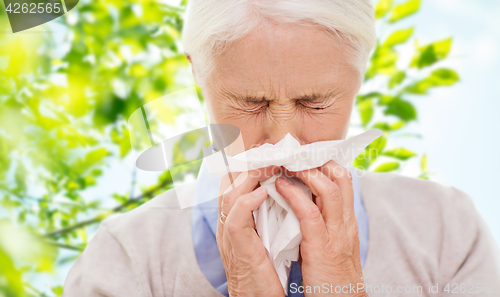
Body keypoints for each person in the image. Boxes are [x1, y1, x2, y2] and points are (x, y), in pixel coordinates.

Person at [62, 0, 500, 296]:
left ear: (359, 75)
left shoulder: (445, 231)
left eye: (315, 102)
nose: (283, 139)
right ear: (197, 73)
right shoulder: (127, 259)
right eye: (251, 103)